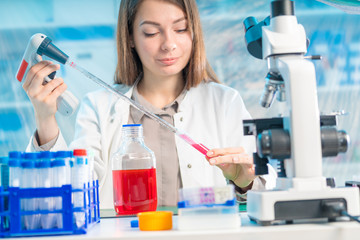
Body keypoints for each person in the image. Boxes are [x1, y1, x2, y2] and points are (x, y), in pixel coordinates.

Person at [23, 0, 276, 209]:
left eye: (180, 29)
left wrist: (245, 183)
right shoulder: (98, 107)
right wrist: (45, 118)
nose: (169, 44)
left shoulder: (224, 102)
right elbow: (69, 197)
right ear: (130, 37)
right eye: (151, 32)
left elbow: (266, 194)